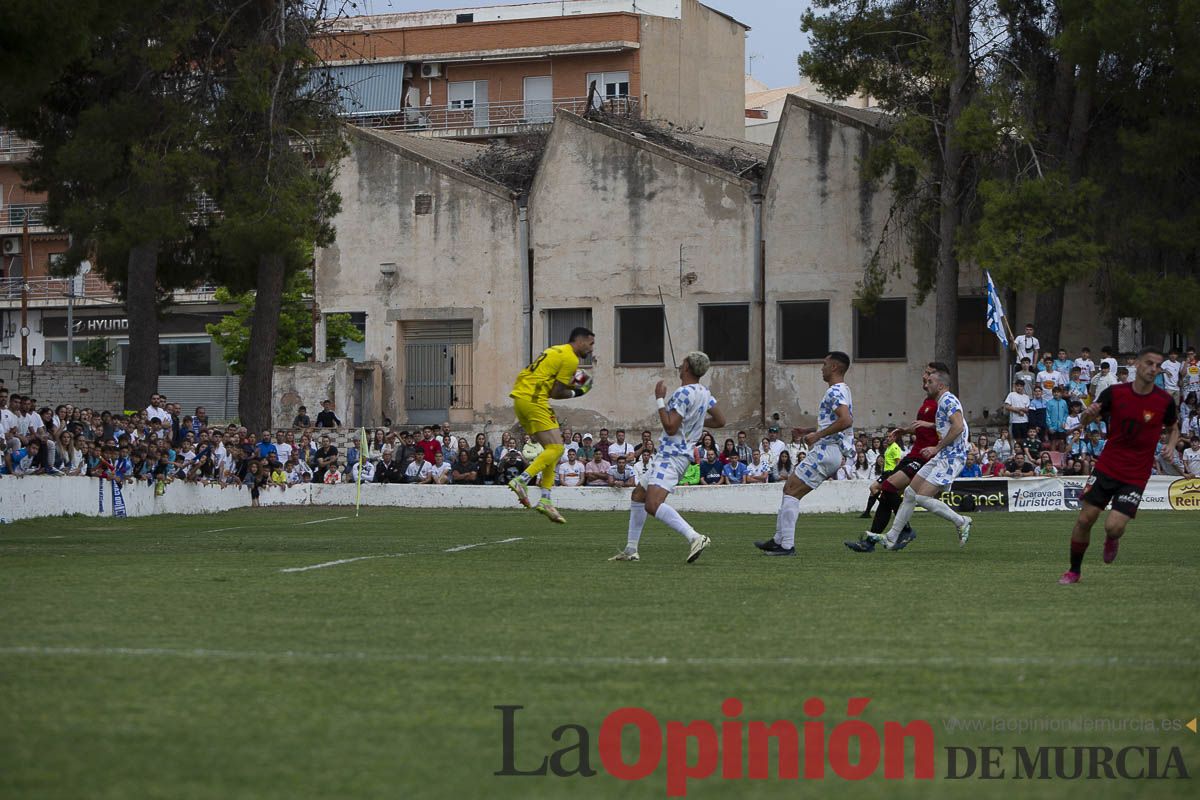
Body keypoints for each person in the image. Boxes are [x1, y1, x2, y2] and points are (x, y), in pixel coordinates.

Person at [1059, 347, 1179, 585]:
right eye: (1149, 363)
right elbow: (1084, 421)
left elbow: (1173, 427)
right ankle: (1074, 571)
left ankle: (1112, 539)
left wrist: (1172, 445)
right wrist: (1088, 414)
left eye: (1158, 365)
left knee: (1113, 527)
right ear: (1137, 365)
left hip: (1136, 474)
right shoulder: (1114, 393)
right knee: (1085, 519)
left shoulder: (1164, 400)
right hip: (1107, 466)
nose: (1153, 369)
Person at [610, 351, 724, 563]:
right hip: (675, 456)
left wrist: (660, 399)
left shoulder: (682, 393)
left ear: (688, 367)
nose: (679, 366)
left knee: (652, 504)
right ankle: (630, 549)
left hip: (671, 456)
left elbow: (670, 427)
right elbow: (720, 421)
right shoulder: (704, 392)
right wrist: (694, 422)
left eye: (683, 363)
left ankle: (695, 537)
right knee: (638, 495)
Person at [757, 351, 854, 557]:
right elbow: (835, 421)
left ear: (835, 367)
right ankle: (778, 539)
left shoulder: (834, 391)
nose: (822, 368)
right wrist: (809, 431)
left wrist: (818, 435)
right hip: (829, 451)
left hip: (824, 452)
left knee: (791, 491)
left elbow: (846, 420)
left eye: (825, 364)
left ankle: (786, 546)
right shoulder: (843, 390)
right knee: (789, 488)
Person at [846, 362, 947, 552]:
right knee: (884, 492)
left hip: (925, 458)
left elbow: (953, 426)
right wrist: (903, 430)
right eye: (925, 373)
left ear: (939, 379)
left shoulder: (944, 402)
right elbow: (920, 425)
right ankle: (870, 542)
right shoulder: (927, 401)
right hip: (913, 454)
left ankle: (905, 530)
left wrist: (930, 427)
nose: (924, 377)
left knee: (888, 486)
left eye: (928, 374)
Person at [870, 368, 973, 551]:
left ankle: (962, 521)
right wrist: (931, 427)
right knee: (910, 493)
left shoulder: (948, 400)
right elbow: (957, 424)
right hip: (942, 455)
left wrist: (936, 447)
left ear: (940, 385)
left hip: (951, 458)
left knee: (923, 497)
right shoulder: (943, 402)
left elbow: (958, 427)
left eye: (930, 382)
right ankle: (891, 538)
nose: (926, 385)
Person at [506, 327, 595, 523]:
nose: (591, 349)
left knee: (551, 451)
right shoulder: (571, 358)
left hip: (521, 399)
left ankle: (545, 499)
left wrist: (576, 380)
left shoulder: (556, 350)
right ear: (580, 341)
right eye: (590, 344)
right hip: (535, 399)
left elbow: (554, 378)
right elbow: (556, 392)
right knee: (557, 447)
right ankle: (522, 480)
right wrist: (579, 392)